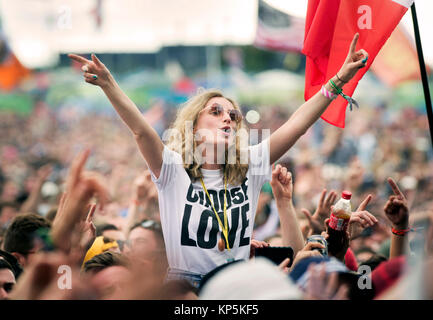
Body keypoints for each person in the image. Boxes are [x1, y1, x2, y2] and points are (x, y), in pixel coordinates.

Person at [68, 33, 369, 287]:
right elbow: (139, 130)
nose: (227, 118)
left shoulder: (250, 166)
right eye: (216, 111)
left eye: (232, 116)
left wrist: (339, 79)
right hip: (185, 288)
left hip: (236, 286)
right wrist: (108, 83)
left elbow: (298, 123)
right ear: (194, 125)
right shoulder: (173, 169)